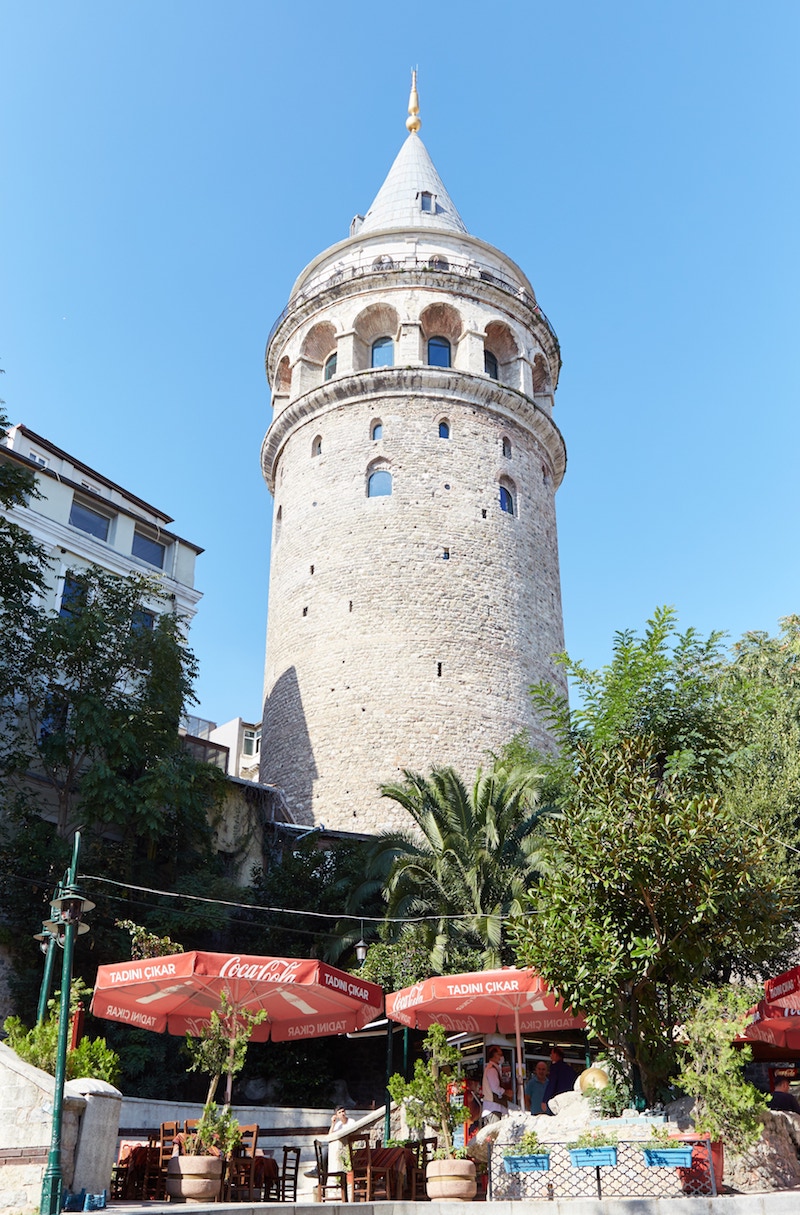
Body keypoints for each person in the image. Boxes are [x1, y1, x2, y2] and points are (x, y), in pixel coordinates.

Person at [481, 1045, 512, 1123]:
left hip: (492, 1108)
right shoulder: (492, 1070)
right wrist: (506, 1092)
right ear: (494, 1055)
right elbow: (495, 1088)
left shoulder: (491, 1068)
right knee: (495, 1133)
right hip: (493, 1108)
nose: (502, 1057)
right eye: (500, 1054)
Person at [541, 1046, 576, 1114]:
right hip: (569, 1097)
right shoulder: (569, 1068)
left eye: (552, 1053)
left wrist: (545, 1100)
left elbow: (552, 1084)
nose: (550, 1056)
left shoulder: (555, 1067)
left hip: (558, 1098)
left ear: (556, 1055)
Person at [328, 1106, 357, 1174]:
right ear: (337, 1115)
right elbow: (330, 1136)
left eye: (343, 1111)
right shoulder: (338, 1125)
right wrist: (333, 1123)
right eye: (339, 1112)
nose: (342, 1114)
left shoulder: (351, 1122)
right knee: (325, 1154)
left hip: (347, 1147)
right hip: (338, 1148)